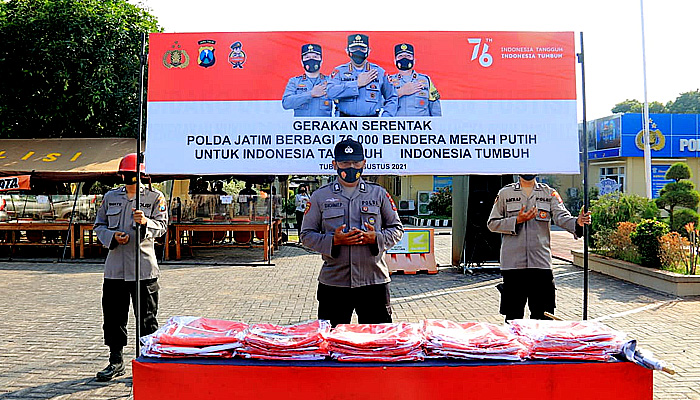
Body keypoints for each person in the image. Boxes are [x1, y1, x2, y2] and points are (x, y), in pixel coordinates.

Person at [301, 139, 404, 326]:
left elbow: (397, 229)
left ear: (364, 163)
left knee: (378, 343)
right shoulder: (320, 196)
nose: (351, 167)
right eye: (345, 163)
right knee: (331, 343)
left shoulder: (378, 194)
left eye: (356, 163)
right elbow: (306, 235)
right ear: (334, 164)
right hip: (334, 283)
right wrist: (334, 241)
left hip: (373, 282)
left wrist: (376, 238)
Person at [93, 153, 168, 381]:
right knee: (114, 318)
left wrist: (145, 222)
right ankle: (116, 361)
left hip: (143, 269)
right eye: (125, 176)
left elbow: (162, 226)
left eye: (132, 176)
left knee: (146, 319)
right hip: (115, 268)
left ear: (141, 175)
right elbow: (99, 225)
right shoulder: (110, 197)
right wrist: (112, 236)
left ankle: (148, 360)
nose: (128, 180)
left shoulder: (155, 197)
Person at [487, 174, 591, 322]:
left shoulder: (549, 193)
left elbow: (561, 217)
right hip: (513, 265)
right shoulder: (505, 193)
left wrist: (578, 222)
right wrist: (517, 220)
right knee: (514, 318)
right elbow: (492, 223)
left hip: (541, 264)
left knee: (544, 317)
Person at [327, 34, 398, 117]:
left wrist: (386, 117)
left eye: (362, 49)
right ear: (347, 51)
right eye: (354, 49)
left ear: (368, 51)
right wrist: (357, 84)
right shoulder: (339, 71)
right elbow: (330, 93)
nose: (358, 52)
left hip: (371, 122)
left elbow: (392, 97)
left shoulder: (379, 72)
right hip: (345, 122)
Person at [388, 43, 442, 116]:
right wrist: (399, 92)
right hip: (397, 126)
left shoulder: (426, 80)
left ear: (414, 60)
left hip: (421, 126)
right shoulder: (388, 81)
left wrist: (437, 125)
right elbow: (379, 104)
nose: (404, 58)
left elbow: (435, 108)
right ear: (395, 61)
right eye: (400, 56)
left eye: (408, 56)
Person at [282, 44, 332, 116]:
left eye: (315, 57)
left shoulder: (330, 81)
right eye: (307, 57)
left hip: (323, 126)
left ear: (321, 61)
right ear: (302, 62)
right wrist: (311, 94)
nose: (311, 59)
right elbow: (286, 104)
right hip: (302, 126)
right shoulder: (294, 82)